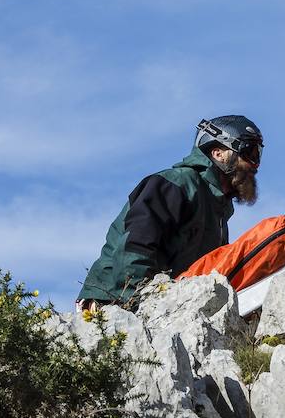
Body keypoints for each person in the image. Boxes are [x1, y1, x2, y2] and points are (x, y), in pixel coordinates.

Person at [76, 115, 264, 308]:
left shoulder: (217, 210)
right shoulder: (175, 184)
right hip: (113, 302)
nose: (255, 165)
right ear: (217, 153)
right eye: (249, 152)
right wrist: (138, 303)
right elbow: (135, 247)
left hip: (167, 306)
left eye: (258, 154)